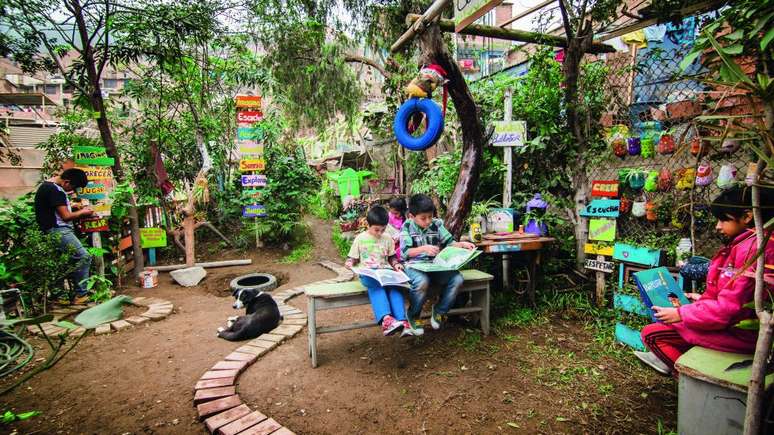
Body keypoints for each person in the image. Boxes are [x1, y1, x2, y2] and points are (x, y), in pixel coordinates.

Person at [636, 186, 774, 376]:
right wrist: (699, 300)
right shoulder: (751, 244)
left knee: (652, 334)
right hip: (737, 328)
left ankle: (692, 383)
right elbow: (736, 299)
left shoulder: (751, 251)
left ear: (747, 217)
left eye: (723, 219)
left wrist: (682, 314)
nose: (718, 226)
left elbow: (728, 310)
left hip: (739, 335)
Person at [400, 194, 476, 331]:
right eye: (423, 218)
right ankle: (413, 315)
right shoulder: (406, 227)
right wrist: (423, 249)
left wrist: (462, 244)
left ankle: (440, 311)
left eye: (430, 216)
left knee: (457, 279)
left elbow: (450, 242)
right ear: (411, 216)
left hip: (435, 265)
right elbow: (405, 253)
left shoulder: (437, 224)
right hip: (414, 266)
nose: (428, 221)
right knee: (422, 282)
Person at [345, 205, 421, 337]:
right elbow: (353, 257)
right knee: (377, 287)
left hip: (385, 272)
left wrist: (396, 264)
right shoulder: (360, 239)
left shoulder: (387, 238)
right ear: (368, 225)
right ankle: (387, 320)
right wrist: (350, 262)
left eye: (383, 229)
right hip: (368, 274)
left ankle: (402, 321)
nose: (380, 233)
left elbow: (391, 256)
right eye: (376, 230)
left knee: (395, 288)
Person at [34, 168, 94, 304]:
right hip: (58, 230)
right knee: (83, 256)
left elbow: (55, 210)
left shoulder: (47, 186)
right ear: (67, 182)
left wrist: (73, 208)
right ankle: (81, 295)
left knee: (61, 263)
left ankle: (60, 295)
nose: (72, 191)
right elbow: (65, 216)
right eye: (73, 187)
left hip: (51, 230)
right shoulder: (55, 190)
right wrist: (83, 212)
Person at [385, 197, 407, 261]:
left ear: (402, 211)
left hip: (400, 242)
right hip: (390, 240)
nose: (394, 215)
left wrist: (400, 236)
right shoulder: (389, 216)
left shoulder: (406, 218)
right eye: (392, 213)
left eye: (396, 213)